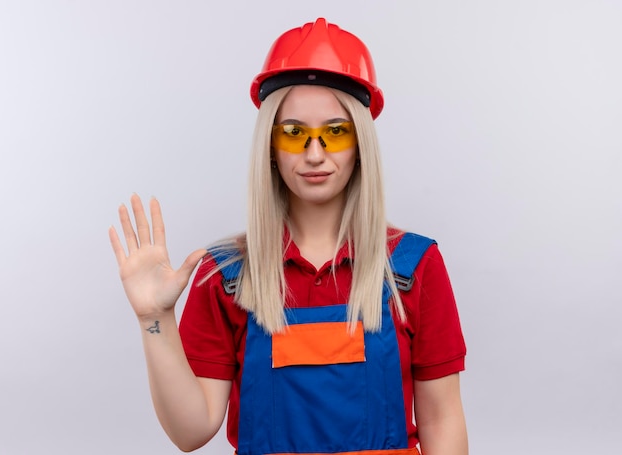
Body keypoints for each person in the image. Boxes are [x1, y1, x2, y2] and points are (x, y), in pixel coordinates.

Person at [109, 18, 467, 455]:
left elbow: (442, 419)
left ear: (360, 143)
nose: (314, 153)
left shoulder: (412, 267)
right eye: (295, 133)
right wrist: (155, 319)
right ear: (271, 145)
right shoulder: (226, 276)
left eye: (335, 132)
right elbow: (191, 431)